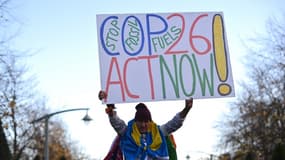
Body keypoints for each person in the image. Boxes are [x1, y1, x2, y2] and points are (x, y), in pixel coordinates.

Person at [98, 90, 193, 160]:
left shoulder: (159, 132)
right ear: (135, 121)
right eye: (140, 121)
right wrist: (109, 105)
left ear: (150, 122)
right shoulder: (127, 132)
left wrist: (186, 109)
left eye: (146, 121)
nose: (143, 125)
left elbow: (174, 124)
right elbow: (116, 123)